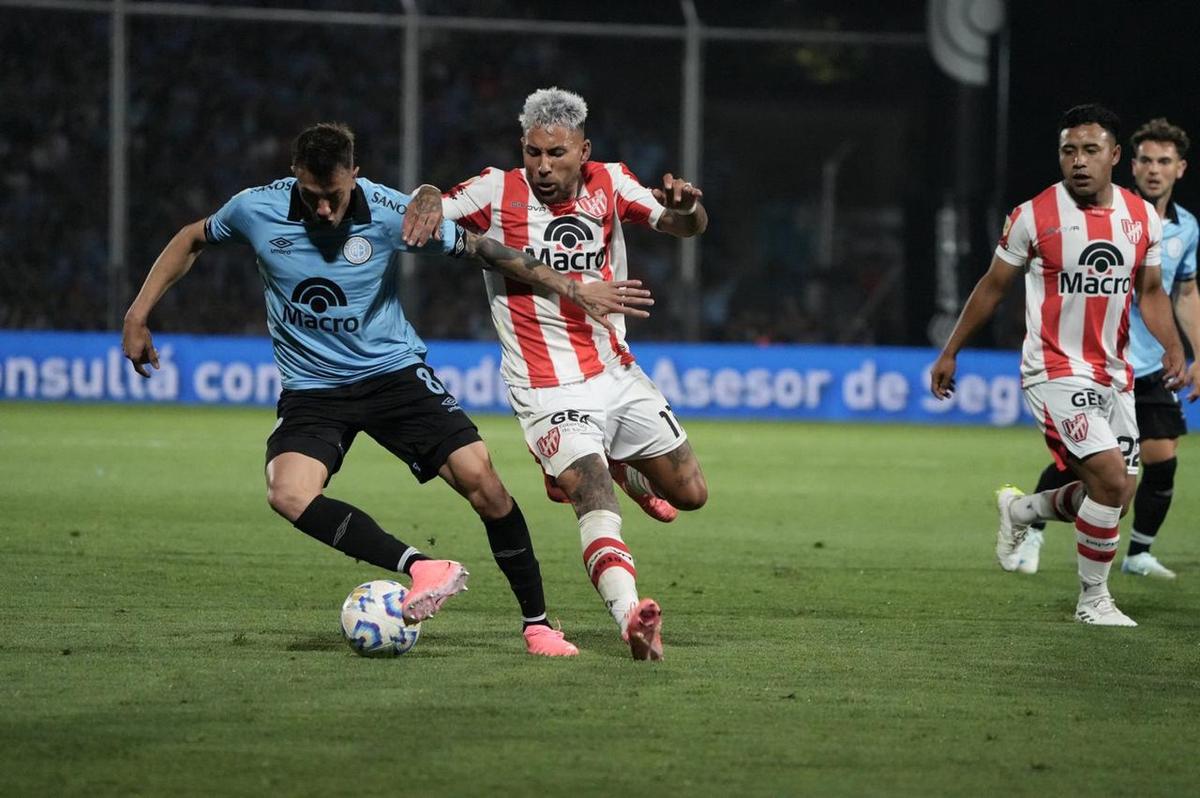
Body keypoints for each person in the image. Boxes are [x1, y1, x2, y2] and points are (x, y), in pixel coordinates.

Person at [121, 122, 651, 657]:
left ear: (355, 174)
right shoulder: (254, 209)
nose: (324, 210)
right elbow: (192, 237)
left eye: (334, 196)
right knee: (286, 493)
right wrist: (138, 314)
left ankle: (538, 626)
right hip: (313, 388)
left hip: (394, 374)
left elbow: (484, 250)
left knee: (485, 486)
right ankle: (423, 567)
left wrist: (572, 287)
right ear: (294, 177)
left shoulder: (389, 210)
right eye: (312, 196)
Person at [435, 87, 710, 660]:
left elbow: (687, 226)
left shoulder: (612, 182)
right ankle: (630, 614)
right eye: (534, 153)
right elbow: (431, 212)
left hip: (615, 372)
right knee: (593, 493)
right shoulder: (496, 189)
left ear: (583, 150)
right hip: (545, 387)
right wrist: (424, 195)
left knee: (690, 494)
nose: (542, 166)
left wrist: (686, 209)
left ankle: (612, 467)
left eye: (556, 154)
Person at [929, 104, 1188, 627]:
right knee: (1111, 481)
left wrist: (1174, 346)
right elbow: (993, 286)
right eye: (1069, 150)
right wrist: (951, 348)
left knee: (1115, 493)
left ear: (1115, 156)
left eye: (1091, 150)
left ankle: (1023, 511)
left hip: (1114, 374)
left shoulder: (1141, 219)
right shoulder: (1033, 216)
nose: (1079, 161)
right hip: (1053, 370)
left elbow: (1152, 292)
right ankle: (1094, 601)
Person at [1015, 118, 1200, 578]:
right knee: (1094, 468)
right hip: (1096, 364)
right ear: (1127, 162)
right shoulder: (1114, 216)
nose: (1154, 170)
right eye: (1146, 160)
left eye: (1164, 161)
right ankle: (1032, 527)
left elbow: (1184, 292)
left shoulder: (1185, 228)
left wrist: (1193, 351)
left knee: (1161, 459)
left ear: (1180, 169)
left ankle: (1138, 553)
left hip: (1151, 366)